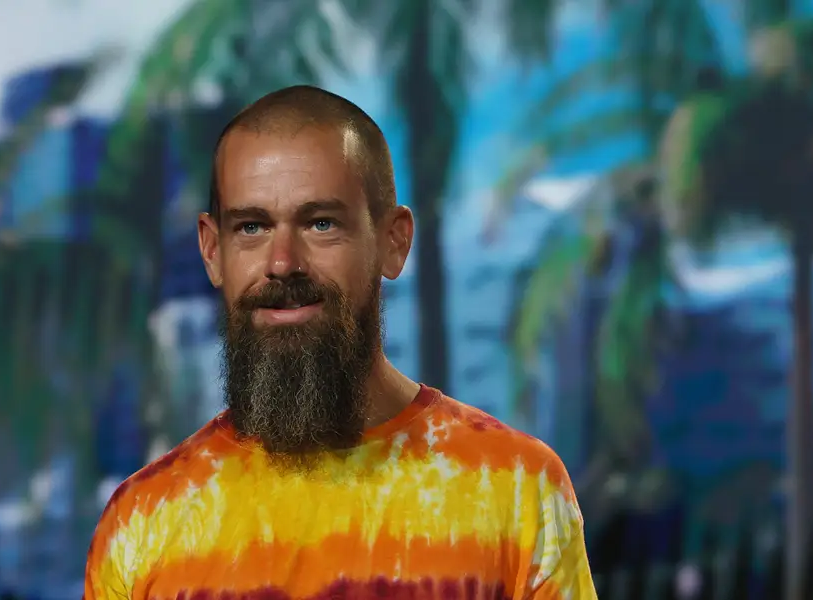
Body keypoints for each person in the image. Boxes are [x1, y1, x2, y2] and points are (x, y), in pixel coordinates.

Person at [83, 85, 597, 599]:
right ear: (213, 250)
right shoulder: (141, 525)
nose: (282, 262)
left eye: (320, 223)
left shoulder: (517, 492)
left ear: (394, 241)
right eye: (252, 227)